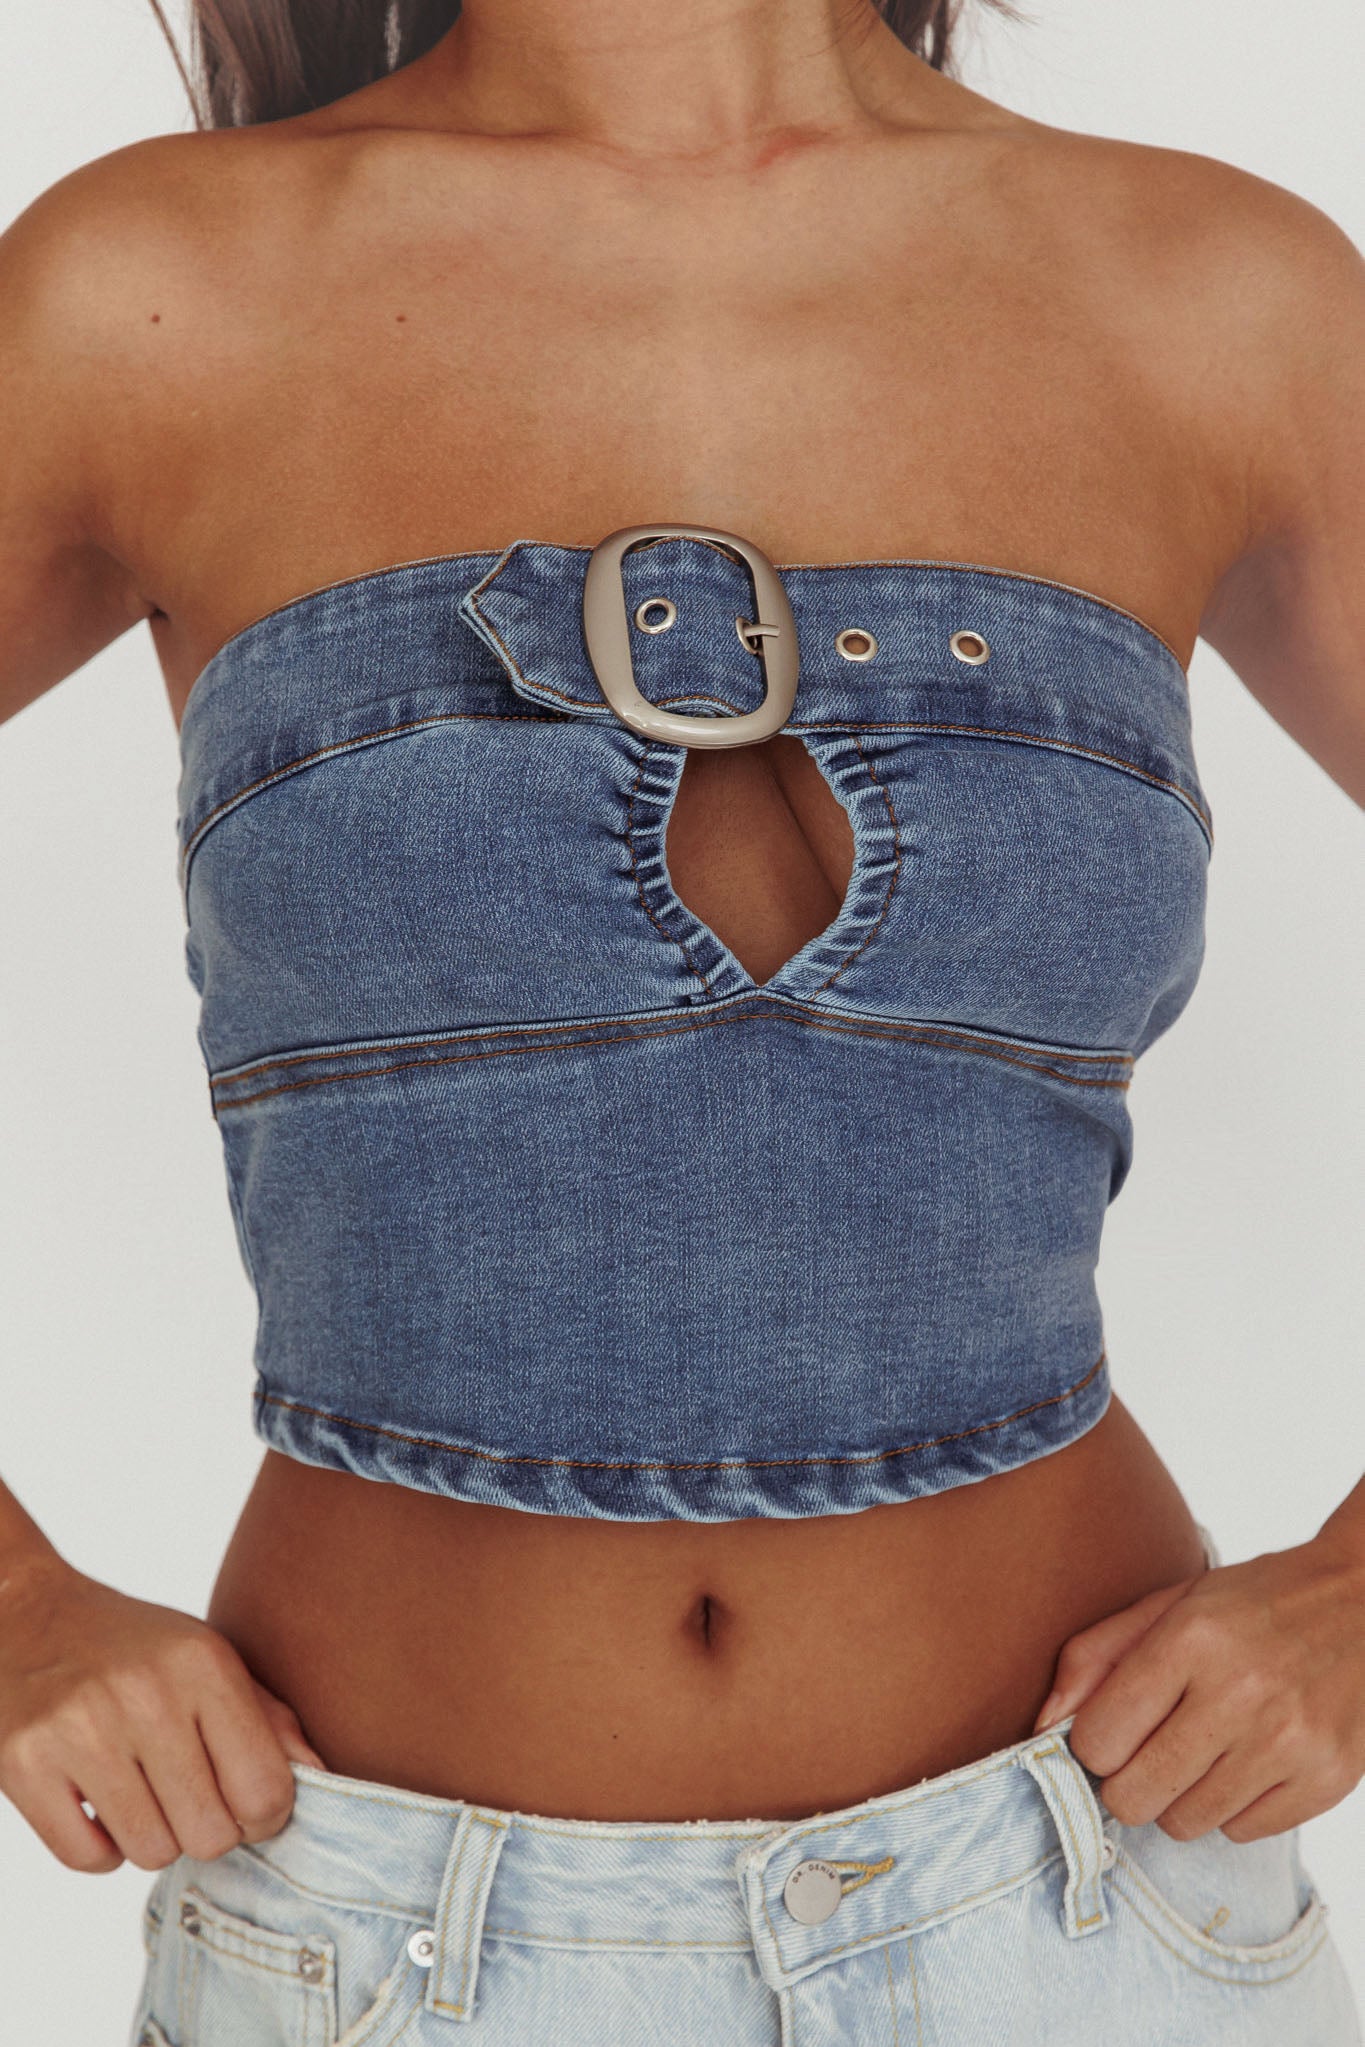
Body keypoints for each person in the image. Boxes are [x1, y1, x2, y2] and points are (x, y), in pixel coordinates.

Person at [1, 2, 1362, 2041]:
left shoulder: (1216, 293)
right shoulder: (148, 291)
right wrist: (13, 1606)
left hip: (1095, 1918)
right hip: (386, 1941)